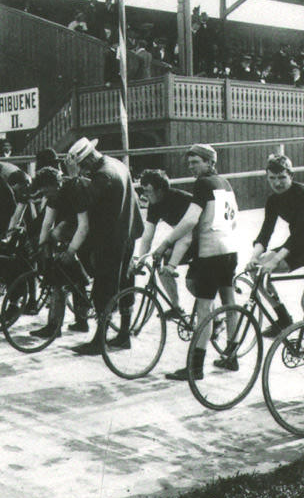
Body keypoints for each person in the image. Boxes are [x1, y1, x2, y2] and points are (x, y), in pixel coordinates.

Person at [153, 144, 240, 381]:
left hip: (210, 253)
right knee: (229, 303)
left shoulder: (202, 184)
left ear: (210, 162)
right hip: (230, 250)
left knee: (204, 310)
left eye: (196, 162)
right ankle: (232, 357)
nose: (191, 167)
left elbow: (190, 220)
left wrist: (165, 243)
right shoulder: (225, 183)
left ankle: (196, 367)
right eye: (189, 163)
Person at [65, 137, 142, 356]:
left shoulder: (103, 175)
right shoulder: (116, 163)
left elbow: (83, 202)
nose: (83, 170)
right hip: (129, 230)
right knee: (126, 281)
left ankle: (100, 340)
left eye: (82, 166)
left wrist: (73, 178)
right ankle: (124, 334)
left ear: (87, 159)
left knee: (104, 287)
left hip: (112, 237)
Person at [248, 153, 304, 338]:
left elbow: (301, 232)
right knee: (255, 271)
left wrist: (276, 260)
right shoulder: (273, 200)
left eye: (282, 178)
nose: (277, 183)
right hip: (299, 247)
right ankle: (283, 318)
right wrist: (254, 257)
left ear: (291, 176)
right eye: (272, 178)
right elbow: (265, 232)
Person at [29, 165, 91, 338]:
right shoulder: (54, 194)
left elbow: (84, 226)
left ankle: (54, 326)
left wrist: (70, 251)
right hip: (75, 227)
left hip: (91, 226)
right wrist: (42, 248)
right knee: (69, 271)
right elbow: (47, 223)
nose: (47, 197)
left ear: (57, 185)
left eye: (48, 193)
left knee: (61, 276)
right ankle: (81, 320)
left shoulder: (74, 190)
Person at [135, 169, 194, 320]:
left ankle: (217, 317)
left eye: (148, 191)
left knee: (195, 281)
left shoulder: (181, 199)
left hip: (201, 237)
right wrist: (140, 260)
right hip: (183, 238)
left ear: (160, 190)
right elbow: (147, 236)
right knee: (161, 263)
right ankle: (176, 307)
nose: (145, 195)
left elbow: (188, 232)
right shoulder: (154, 204)